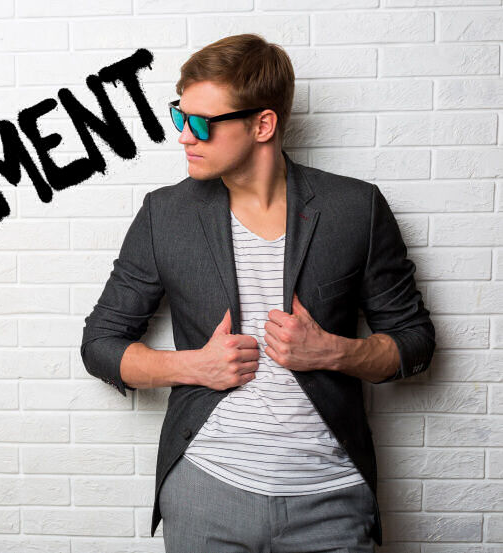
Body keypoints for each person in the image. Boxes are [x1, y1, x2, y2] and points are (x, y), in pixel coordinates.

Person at [80, 34, 436, 553]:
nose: (184, 136)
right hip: (206, 489)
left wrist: (336, 351)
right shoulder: (166, 215)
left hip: (332, 498)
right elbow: (101, 343)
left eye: (202, 122)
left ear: (262, 124)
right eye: (180, 116)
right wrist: (191, 367)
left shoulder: (356, 209)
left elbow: (416, 341)